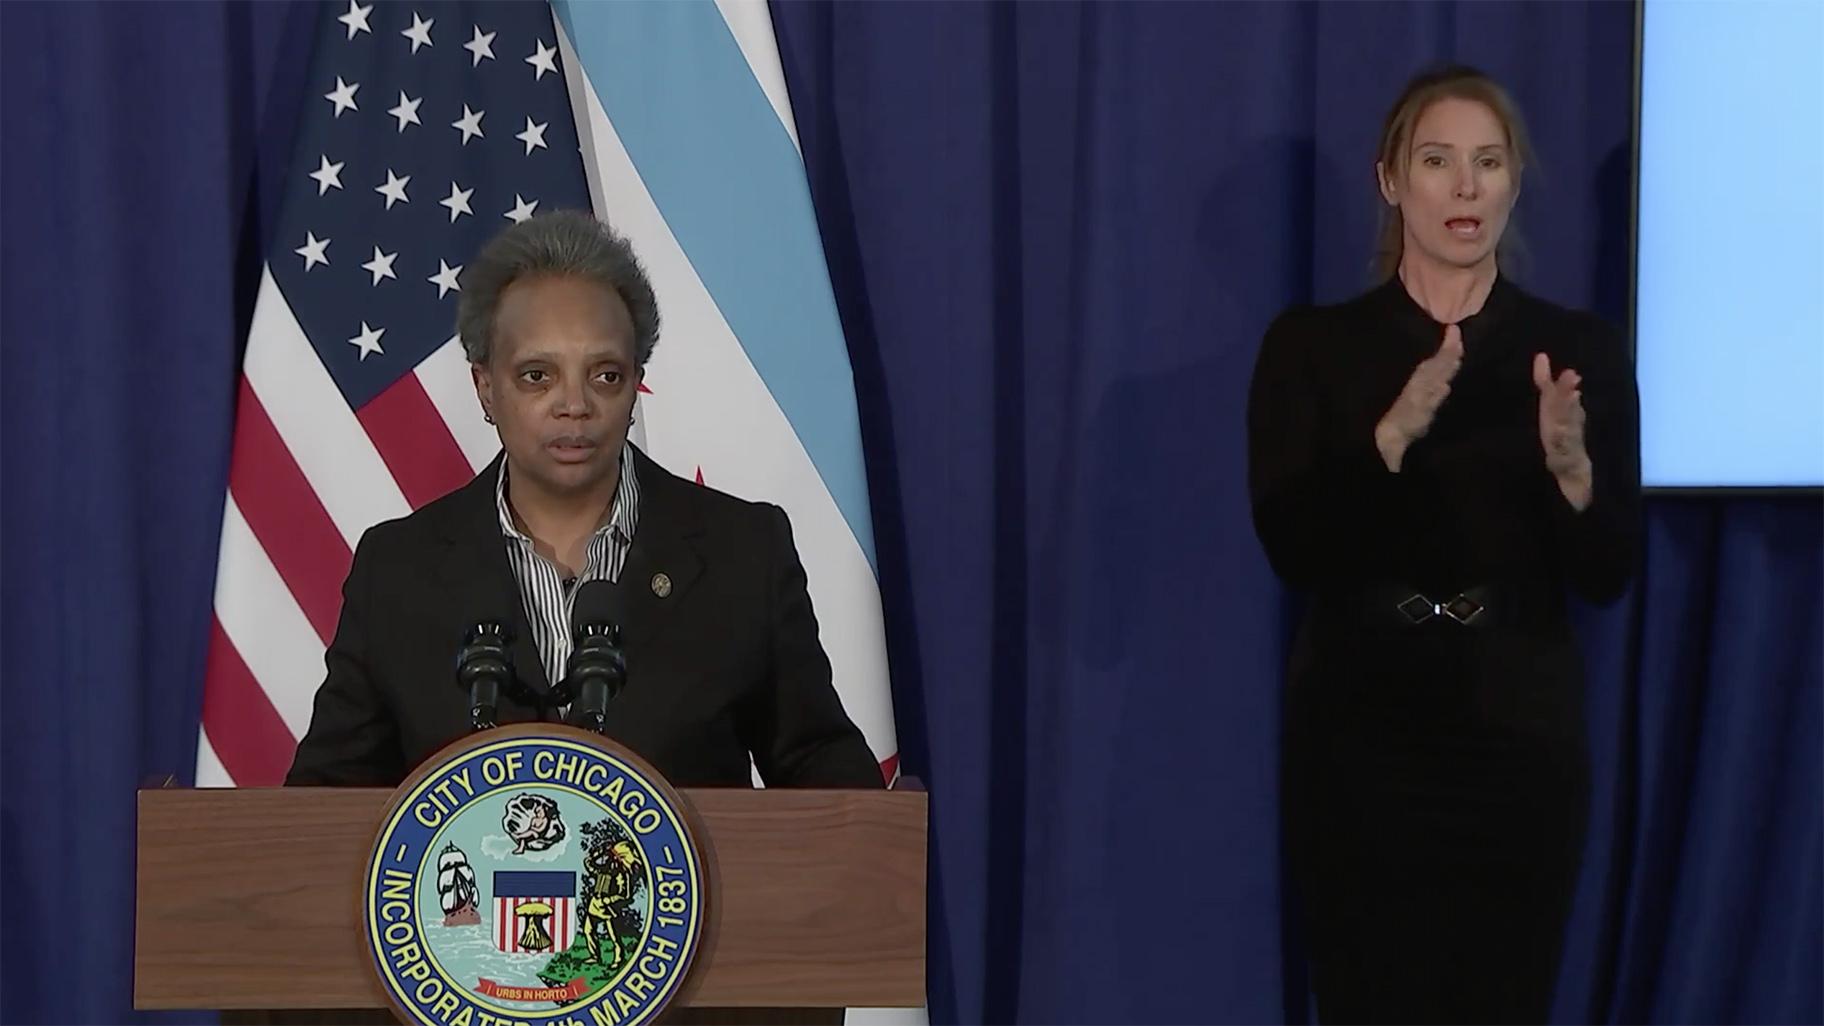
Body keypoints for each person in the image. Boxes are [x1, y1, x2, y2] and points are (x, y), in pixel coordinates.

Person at [1247, 65, 1640, 1023]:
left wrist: (1574, 473)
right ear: (1392, 181)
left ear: (1511, 183)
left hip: (1519, 736)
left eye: (1488, 163)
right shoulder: (1310, 346)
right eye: (1438, 161)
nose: (1465, 188)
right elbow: (1295, 551)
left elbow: (1607, 575)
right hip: (1360, 736)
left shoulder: (1575, 348)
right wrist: (1390, 436)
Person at [286, 211, 881, 790]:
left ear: (634, 384)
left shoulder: (745, 553)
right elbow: (321, 808)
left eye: (604, 375)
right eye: (537, 376)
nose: (574, 405)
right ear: (484, 386)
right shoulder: (395, 569)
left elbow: (824, 780)